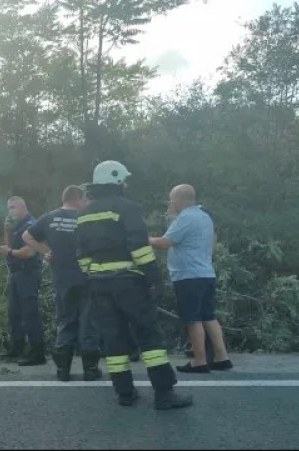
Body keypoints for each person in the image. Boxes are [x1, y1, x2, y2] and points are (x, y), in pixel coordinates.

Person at [76, 160, 193, 410]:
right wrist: (154, 279)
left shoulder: (84, 214)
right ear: (117, 180)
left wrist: (94, 274)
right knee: (148, 335)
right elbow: (139, 248)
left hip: (98, 284)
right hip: (128, 282)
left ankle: (125, 393)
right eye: (124, 180)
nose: (127, 184)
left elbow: (82, 254)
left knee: (113, 339)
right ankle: (164, 394)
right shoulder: (127, 208)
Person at [22, 185, 102, 381]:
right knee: (88, 323)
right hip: (87, 277)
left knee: (65, 322)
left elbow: (26, 236)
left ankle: (63, 370)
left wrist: (45, 251)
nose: (85, 203)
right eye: (83, 199)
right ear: (77, 199)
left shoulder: (50, 217)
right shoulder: (85, 218)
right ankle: (90, 370)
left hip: (62, 278)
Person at [149, 184, 232, 373]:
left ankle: (200, 361)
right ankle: (222, 357)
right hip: (206, 273)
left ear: (178, 200)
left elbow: (164, 243)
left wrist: (144, 238)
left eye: (171, 200)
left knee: (192, 319)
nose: (170, 203)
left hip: (188, 276)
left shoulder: (186, 218)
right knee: (208, 317)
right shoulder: (204, 216)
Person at [0, 196, 46, 366]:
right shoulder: (17, 226)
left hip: (28, 273)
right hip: (16, 273)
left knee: (30, 313)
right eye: (8, 208)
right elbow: (10, 245)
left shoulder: (31, 225)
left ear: (22, 207)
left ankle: (38, 352)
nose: (9, 211)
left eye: (12, 207)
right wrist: (7, 231)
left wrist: (10, 252)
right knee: (14, 313)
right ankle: (17, 348)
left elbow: (29, 252)